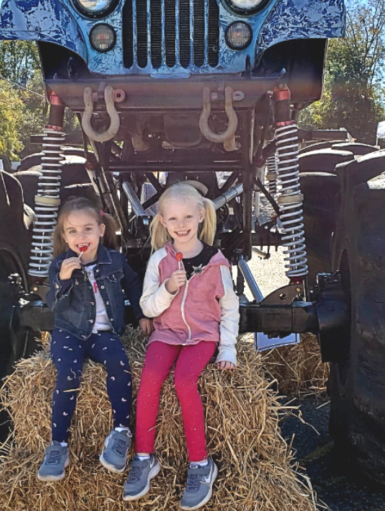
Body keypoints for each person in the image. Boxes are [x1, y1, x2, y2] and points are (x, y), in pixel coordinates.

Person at [123, 183, 240, 510]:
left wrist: (228, 348)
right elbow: (147, 307)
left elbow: (230, 307)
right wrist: (168, 290)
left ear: (201, 215)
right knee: (149, 378)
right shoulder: (159, 261)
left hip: (202, 336)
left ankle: (201, 465)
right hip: (167, 333)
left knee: (184, 381)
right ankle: (145, 457)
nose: (182, 224)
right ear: (162, 221)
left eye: (188, 216)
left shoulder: (216, 263)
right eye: (173, 218)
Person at [38, 197, 153, 482]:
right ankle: (58, 445)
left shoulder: (115, 261)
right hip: (69, 333)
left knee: (120, 364)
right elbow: (53, 304)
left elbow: (134, 284)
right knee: (68, 373)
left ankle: (121, 432)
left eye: (88, 229)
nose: (81, 237)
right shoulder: (59, 265)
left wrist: (142, 315)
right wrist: (63, 280)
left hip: (104, 332)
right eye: (73, 231)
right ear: (64, 236)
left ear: (102, 230)